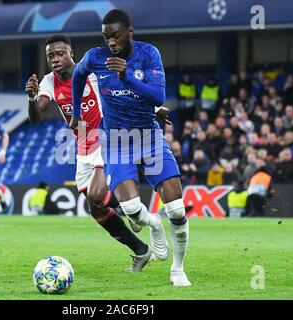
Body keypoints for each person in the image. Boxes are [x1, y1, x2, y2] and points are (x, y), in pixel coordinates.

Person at [69, 9, 191, 286]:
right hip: (117, 142)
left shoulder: (149, 54)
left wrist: (128, 78)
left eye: (116, 36)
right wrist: (76, 113)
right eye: (106, 37)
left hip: (149, 137)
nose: (111, 42)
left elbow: (158, 95)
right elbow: (78, 75)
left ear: (129, 33)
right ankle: (153, 224)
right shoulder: (95, 58)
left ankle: (178, 269)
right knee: (133, 208)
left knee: (177, 210)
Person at [25, 34, 161, 272]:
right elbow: (37, 117)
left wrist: (157, 107)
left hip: (108, 139)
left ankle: (130, 206)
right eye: (50, 56)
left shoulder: (92, 72)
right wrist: (30, 98)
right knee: (96, 209)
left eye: (59, 54)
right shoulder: (49, 82)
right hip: (82, 148)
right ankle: (141, 250)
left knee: (97, 194)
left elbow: (127, 89)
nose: (55, 59)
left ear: (71, 54)